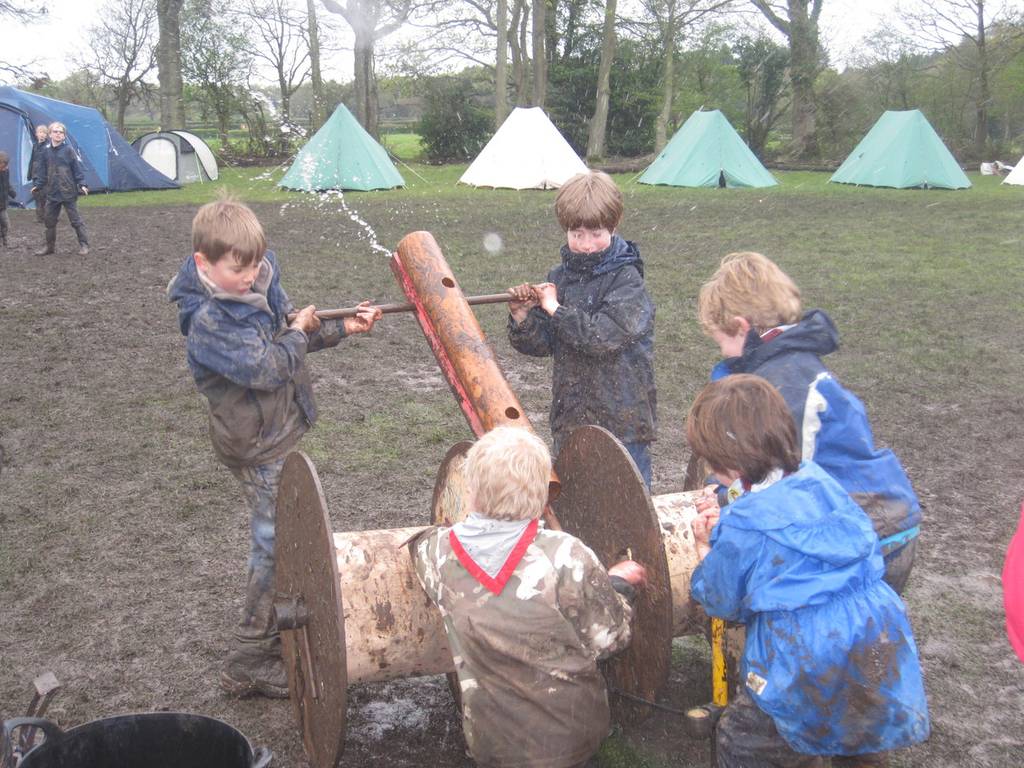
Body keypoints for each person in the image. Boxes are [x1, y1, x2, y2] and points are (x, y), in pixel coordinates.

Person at [167, 197, 382, 698]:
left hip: (278, 428)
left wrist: (340, 328)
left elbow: (284, 324)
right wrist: (301, 331)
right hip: (255, 445)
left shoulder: (259, 271)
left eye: (256, 265)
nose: (251, 277)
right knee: (272, 543)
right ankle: (247, 660)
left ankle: (276, 629)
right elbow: (269, 366)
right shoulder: (209, 323)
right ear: (204, 263)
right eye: (238, 269)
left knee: (286, 534)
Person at [687, 375, 930, 768]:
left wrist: (705, 550)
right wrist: (733, 510)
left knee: (746, 742)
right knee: (857, 735)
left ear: (726, 462)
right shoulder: (819, 480)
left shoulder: (744, 524)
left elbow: (720, 599)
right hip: (873, 632)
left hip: (803, 655)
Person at [410, 425, 646, 768]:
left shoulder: (439, 553)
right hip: (570, 739)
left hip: (494, 745)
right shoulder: (566, 554)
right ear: (542, 496)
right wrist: (619, 586)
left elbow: (419, 544)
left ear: (472, 493)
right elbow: (611, 639)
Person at [696, 251, 920, 593]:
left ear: (741, 327)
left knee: (837, 625)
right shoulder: (790, 364)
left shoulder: (786, 385)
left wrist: (728, 499)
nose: (722, 351)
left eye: (720, 340)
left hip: (870, 530)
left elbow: (780, 476)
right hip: (867, 516)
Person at [507, 170, 656, 488]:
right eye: (577, 234)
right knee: (576, 503)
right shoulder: (559, 276)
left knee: (628, 506)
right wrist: (523, 317)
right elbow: (545, 342)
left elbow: (601, 337)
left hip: (624, 419)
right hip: (572, 414)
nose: (586, 244)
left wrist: (554, 308)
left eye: (596, 233)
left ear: (614, 227)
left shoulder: (628, 280)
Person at [31, 121, 90, 256]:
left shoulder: (68, 150)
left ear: (64, 136)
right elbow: (42, 171)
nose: (58, 134)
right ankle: (49, 248)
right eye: (55, 131)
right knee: (49, 221)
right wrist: (38, 185)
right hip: (52, 193)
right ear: (50, 134)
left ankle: (84, 245)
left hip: (68, 192)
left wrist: (82, 184)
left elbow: (77, 169)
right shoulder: (45, 152)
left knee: (75, 221)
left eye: (61, 132)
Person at [29, 124, 49, 224]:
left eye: (44, 133)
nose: (41, 134)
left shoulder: (48, 146)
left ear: (46, 135)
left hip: (45, 176)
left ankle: (47, 216)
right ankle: (39, 217)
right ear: (36, 134)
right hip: (35, 174)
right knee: (36, 196)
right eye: (40, 132)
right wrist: (29, 174)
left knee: (45, 196)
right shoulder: (35, 146)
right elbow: (32, 160)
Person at [0, 151, 15, 247]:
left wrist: (12, 192)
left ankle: (5, 240)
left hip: (3, 203)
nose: (6, 167)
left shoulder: (6, 171)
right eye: (3, 165)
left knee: (5, 223)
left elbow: (7, 183)